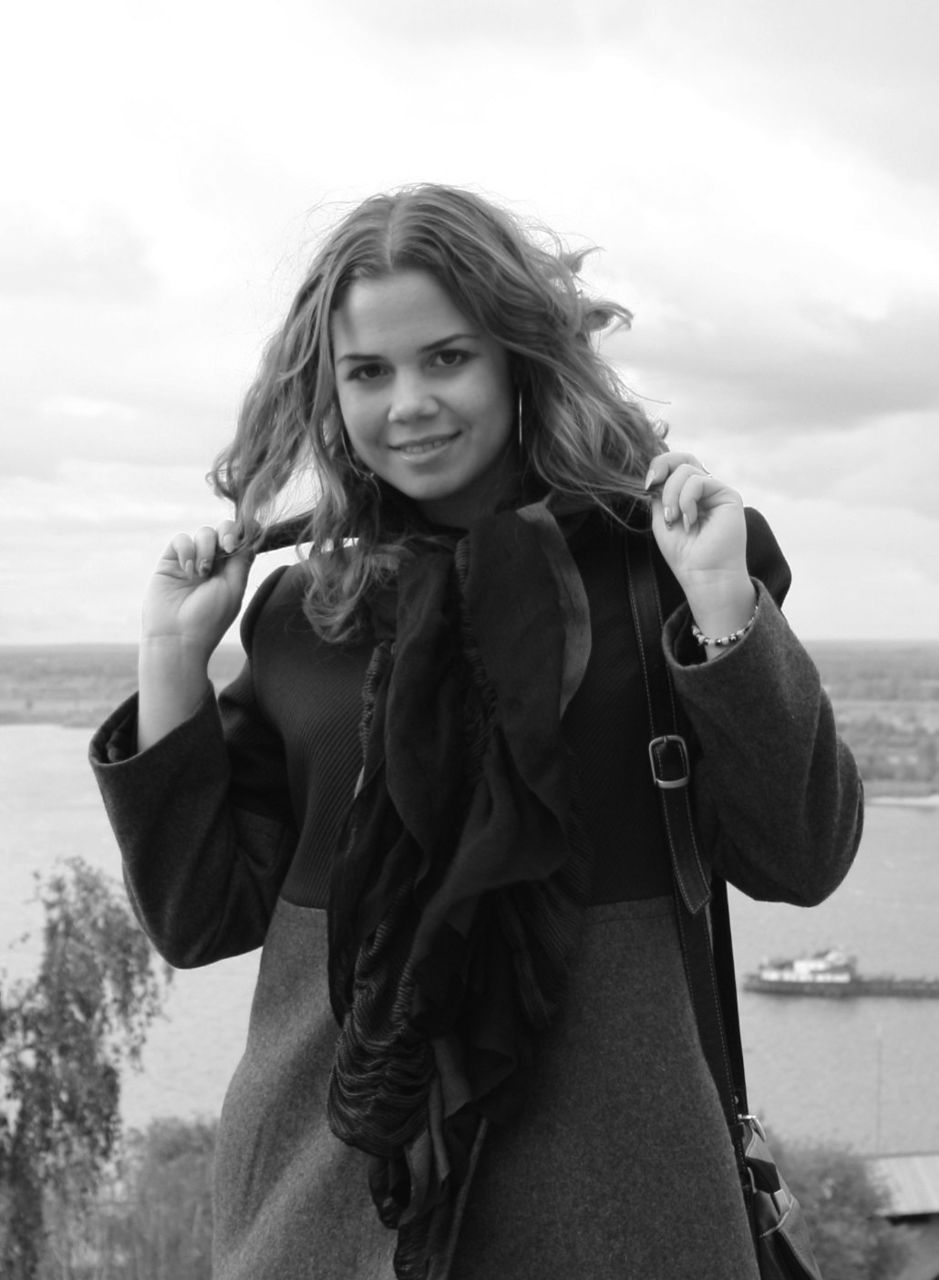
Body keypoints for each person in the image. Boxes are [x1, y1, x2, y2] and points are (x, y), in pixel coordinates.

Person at [90, 183, 863, 1280]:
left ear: (515, 357)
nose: (409, 403)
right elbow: (198, 914)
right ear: (331, 390)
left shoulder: (660, 568)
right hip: (324, 1210)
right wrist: (172, 659)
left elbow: (802, 854)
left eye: (446, 358)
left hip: (622, 1211)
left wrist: (723, 610)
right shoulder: (302, 611)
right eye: (368, 372)